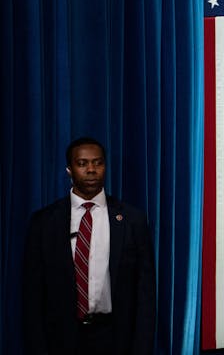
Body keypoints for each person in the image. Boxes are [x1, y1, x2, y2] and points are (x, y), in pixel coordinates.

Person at [23, 137, 156, 354]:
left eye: (98, 163)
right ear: (69, 169)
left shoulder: (132, 219)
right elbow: (32, 296)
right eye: (82, 163)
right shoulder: (44, 222)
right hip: (61, 339)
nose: (91, 169)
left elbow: (145, 293)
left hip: (116, 338)